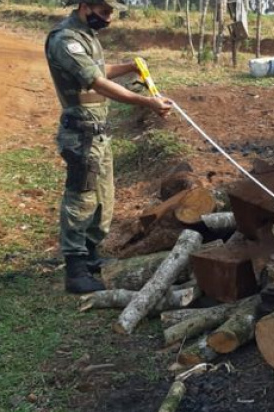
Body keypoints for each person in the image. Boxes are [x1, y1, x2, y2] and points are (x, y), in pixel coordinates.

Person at [45, 0, 172, 293]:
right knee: (82, 200)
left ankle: (90, 256)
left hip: (98, 135)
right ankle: (75, 271)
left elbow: (100, 69)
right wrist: (145, 102)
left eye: (112, 13)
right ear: (84, 6)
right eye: (104, 13)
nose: (109, 19)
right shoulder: (66, 40)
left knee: (103, 200)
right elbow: (97, 82)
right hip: (81, 135)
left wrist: (131, 67)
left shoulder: (87, 37)